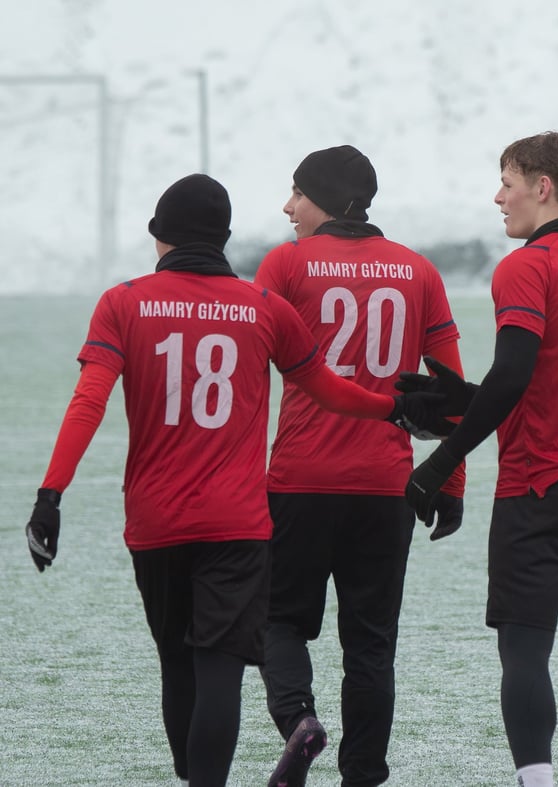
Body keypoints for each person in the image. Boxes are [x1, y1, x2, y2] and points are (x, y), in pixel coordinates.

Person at [23, 173, 451, 787]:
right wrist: (396, 409)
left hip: (156, 520)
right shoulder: (263, 307)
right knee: (221, 670)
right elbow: (328, 389)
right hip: (240, 522)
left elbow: (88, 402)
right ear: (224, 239)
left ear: (160, 236)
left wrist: (51, 495)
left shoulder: (123, 302)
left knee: (178, 667)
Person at [399, 131, 558, 787]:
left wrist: (441, 460)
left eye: (507, 183)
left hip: (545, 479)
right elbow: (555, 384)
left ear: (543, 187)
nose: (498, 197)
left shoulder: (528, 265)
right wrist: (464, 398)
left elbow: (514, 374)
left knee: (525, 646)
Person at [253, 144, 466, 787]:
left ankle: (298, 720)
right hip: (385, 487)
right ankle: (364, 776)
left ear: (326, 198)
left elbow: (244, 370)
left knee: (277, 621)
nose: (288, 207)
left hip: (300, 479)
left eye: (298, 192)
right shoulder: (419, 271)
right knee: (371, 645)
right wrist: (451, 481)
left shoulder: (285, 264)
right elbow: (452, 391)